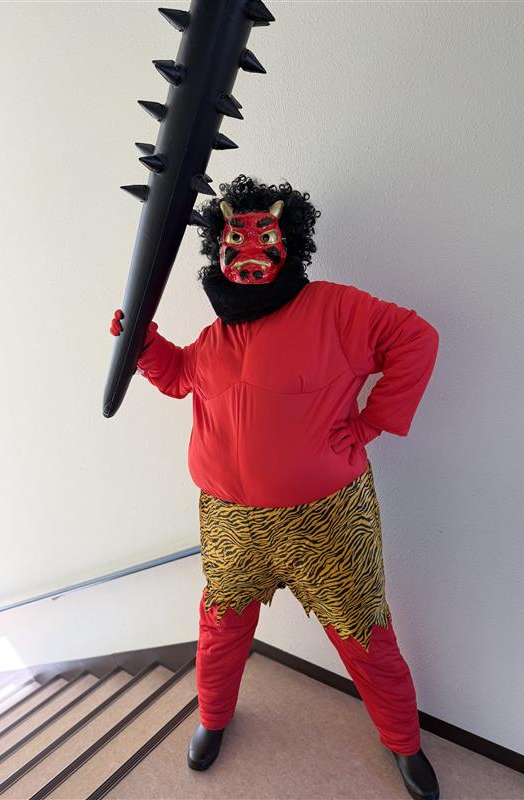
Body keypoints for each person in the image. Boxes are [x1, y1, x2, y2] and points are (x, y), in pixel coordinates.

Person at [110, 174, 440, 800]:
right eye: (234, 241)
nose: (249, 253)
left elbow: (415, 338)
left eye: (264, 237)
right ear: (217, 247)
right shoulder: (217, 334)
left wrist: (371, 423)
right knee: (220, 629)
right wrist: (143, 343)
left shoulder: (336, 309)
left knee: (365, 635)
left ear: (290, 240)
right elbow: (180, 377)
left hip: (327, 518)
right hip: (230, 520)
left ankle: (403, 740)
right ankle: (212, 718)